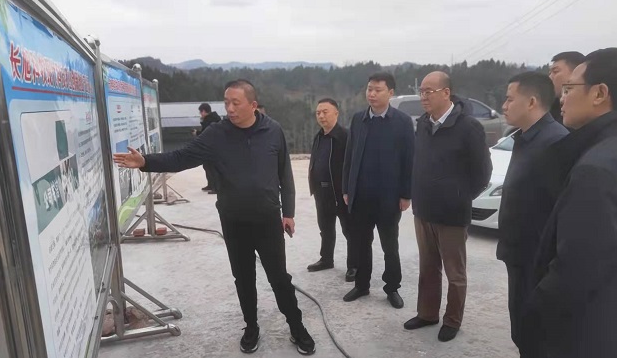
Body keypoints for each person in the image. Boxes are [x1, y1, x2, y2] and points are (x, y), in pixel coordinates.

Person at [113, 80, 316, 356]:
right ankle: (251, 327)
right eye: (226, 102)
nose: (229, 108)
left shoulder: (273, 130)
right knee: (243, 278)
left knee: (279, 278)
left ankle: (297, 327)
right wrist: (145, 162)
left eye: (236, 103)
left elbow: (285, 174)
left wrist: (288, 212)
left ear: (253, 105)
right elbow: (181, 157)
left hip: (268, 220)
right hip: (234, 221)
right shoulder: (216, 134)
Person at [522, 48, 617, 358]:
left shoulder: (599, 168)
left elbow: (577, 269)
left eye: (569, 88)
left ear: (600, 93)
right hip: (612, 330)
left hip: (577, 339)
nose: (561, 97)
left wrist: (533, 314)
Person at [404, 71, 492, 342]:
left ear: (446, 93)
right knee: (428, 267)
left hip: (452, 214)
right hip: (424, 210)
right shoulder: (423, 124)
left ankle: (452, 319)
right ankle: (427, 313)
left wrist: (459, 196)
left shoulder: (468, 127)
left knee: (455, 272)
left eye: (428, 91)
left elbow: (482, 173)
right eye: (421, 91)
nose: (423, 97)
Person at [495, 72, 568, 354]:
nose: (504, 105)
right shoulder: (526, 137)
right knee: (521, 328)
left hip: (538, 261)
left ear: (532, 102)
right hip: (519, 254)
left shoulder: (555, 143)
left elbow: (560, 211)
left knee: (536, 334)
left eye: (510, 99)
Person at [341, 72, 414, 309]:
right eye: (369, 89)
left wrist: (406, 194)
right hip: (361, 196)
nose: (371, 94)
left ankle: (392, 287)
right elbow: (349, 156)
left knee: (389, 246)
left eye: (377, 90)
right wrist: (347, 188)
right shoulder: (358, 120)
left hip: (389, 198)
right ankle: (361, 285)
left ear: (390, 93)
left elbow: (409, 160)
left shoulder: (402, 122)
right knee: (361, 244)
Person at [307, 98, 357, 281]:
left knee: (349, 231)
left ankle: (354, 265)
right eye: (318, 113)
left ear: (336, 113)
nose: (321, 116)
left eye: (325, 112)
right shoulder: (319, 136)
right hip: (321, 193)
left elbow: (352, 166)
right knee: (325, 229)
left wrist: (349, 190)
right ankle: (326, 259)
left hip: (340, 194)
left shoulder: (345, 136)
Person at [548, 52, 585, 123]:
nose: (550, 77)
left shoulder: (583, 116)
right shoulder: (548, 110)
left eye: (555, 72)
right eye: (550, 73)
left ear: (577, 72)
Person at [194, 102, 221, 193]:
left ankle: (216, 187)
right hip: (212, 146)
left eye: (200, 112)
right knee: (207, 166)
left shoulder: (209, 120)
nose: (200, 114)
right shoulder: (215, 118)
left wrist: (197, 133)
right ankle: (211, 185)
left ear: (204, 111)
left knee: (212, 167)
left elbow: (205, 134)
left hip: (212, 147)